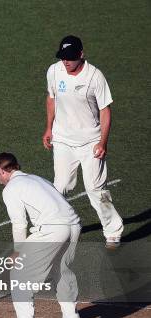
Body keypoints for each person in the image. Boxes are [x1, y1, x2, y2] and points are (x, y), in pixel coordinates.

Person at [42, 35, 123, 249]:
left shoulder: (94, 76)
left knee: (95, 189)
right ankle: (60, 230)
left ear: (81, 55)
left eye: (70, 57)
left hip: (90, 142)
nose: (65, 62)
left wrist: (102, 142)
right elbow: (51, 98)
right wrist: (49, 128)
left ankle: (113, 231)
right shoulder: (54, 70)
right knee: (59, 187)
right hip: (63, 140)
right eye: (62, 57)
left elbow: (105, 110)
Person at [0, 152, 82, 318]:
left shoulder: (11, 188)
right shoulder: (38, 179)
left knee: (19, 272)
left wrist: (18, 251)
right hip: (74, 225)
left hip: (52, 229)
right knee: (62, 271)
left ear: (2, 170)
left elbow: (19, 224)